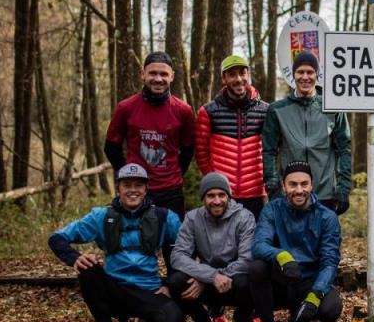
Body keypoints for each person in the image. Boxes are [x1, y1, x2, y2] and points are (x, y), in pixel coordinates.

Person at [48, 164, 184, 322]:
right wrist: (75, 258)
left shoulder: (164, 217)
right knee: (88, 269)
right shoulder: (101, 216)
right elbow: (56, 238)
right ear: (118, 188)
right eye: (127, 185)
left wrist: (171, 285)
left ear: (146, 189)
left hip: (149, 290)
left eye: (138, 185)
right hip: (114, 290)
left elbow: (186, 252)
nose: (133, 190)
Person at [248, 161, 343, 322]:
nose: (299, 190)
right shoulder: (272, 210)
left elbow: (330, 261)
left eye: (304, 184)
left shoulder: (327, 217)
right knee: (256, 268)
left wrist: (314, 296)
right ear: (284, 186)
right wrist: (282, 255)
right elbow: (258, 245)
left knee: (331, 309)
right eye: (292, 184)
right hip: (282, 277)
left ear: (311, 185)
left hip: (310, 281)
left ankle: (311, 318)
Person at [105, 51, 196, 219]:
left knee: (175, 243)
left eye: (164, 74)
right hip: (136, 189)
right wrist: (127, 173)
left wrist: (173, 173)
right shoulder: (126, 108)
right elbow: (111, 147)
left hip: (171, 191)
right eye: (153, 73)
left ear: (172, 77)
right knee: (134, 243)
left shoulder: (184, 111)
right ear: (143, 74)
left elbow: (188, 150)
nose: (158, 79)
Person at [167, 172, 257, 322]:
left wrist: (216, 275)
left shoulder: (244, 217)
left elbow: (246, 261)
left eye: (221, 195)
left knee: (251, 280)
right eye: (211, 196)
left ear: (228, 196)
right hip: (208, 278)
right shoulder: (193, 218)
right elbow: (178, 255)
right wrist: (209, 276)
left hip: (233, 280)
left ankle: (242, 321)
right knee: (175, 281)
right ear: (203, 198)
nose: (216, 201)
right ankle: (203, 321)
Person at [263, 51, 352, 215]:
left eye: (310, 72)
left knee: (325, 240)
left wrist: (344, 187)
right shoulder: (277, 110)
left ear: (317, 74)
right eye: (300, 72)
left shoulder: (332, 107)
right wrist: (272, 186)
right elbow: (269, 151)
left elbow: (344, 148)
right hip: (290, 193)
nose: (305, 77)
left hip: (325, 193)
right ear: (293, 75)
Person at [195, 55, 270, 222]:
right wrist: (215, 182)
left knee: (255, 244)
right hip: (223, 196)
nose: (238, 79)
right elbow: (201, 153)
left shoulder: (266, 110)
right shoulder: (208, 112)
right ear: (224, 78)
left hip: (256, 194)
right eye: (232, 74)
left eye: (243, 73)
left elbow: (273, 150)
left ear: (249, 75)